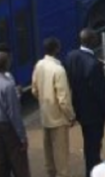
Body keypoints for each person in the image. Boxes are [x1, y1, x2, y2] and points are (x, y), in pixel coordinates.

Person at [66, 29, 105, 177]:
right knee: (94, 145)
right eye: (95, 38)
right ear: (91, 40)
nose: (97, 40)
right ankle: (92, 172)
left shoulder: (72, 56)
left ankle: (91, 169)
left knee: (88, 144)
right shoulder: (93, 64)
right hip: (94, 113)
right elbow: (101, 92)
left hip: (80, 109)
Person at [32, 37, 75, 177]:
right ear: (57, 49)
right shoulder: (59, 70)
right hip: (59, 118)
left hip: (45, 116)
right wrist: (71, 116)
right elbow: (63, 99)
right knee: (61, 155)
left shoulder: (39, 65)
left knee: (48, 153)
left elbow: (34, 90)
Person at [0, 52, 30, 177]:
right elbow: (14, 113)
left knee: (1, 159)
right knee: (19, 161)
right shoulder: (8, 85)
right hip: (8, 126)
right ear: (6, 64)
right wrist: (22, 137)